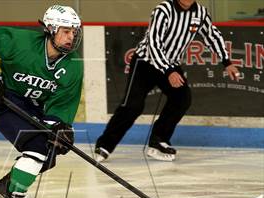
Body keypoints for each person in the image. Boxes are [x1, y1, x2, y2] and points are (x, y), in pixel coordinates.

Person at [0, 5, 83, 198]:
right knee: (38, 147)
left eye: (74, 32)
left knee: (49, 153)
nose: (72, 37)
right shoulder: (20, 42)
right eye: (66, 31)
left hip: (36, 110)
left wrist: (59, 126)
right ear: (50, 29)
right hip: (7, 104)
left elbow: (62, 103)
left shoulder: (73, 66)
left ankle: (5, 186)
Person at [95, 0, 240, 162]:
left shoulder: (200, 13)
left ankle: (158, 141)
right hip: (146, 62)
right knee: (132, 106)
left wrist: (227, 62)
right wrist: (168, 70)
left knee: (182, 98)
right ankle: (104, 145)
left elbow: (212, 36)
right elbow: (153, 43)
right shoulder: (163, 10)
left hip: (170, 64)